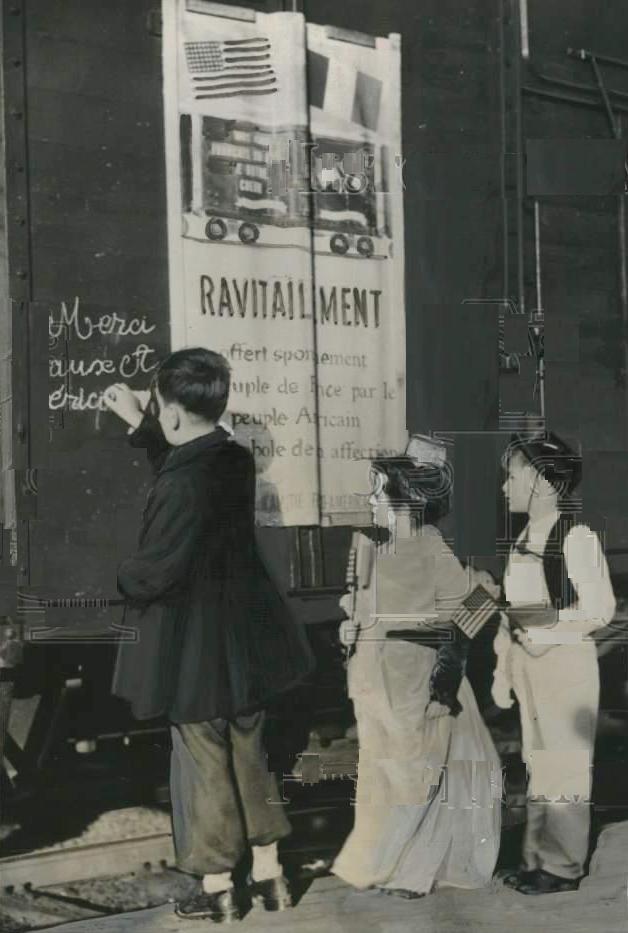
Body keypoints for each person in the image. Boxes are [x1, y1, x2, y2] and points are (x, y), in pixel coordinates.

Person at [103, 348, 314, 922]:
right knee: (251, 754)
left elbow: (157, 568)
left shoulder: (183, 484)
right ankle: (272, 878)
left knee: (205, 764)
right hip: (245, 640)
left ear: (171, 413)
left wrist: (118, 574)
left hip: (194, 649)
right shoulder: (235, 460)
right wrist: (143, 424)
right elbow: (189, 459)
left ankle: (219, 887)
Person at [331, 449, 502, 898]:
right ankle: (380, 864)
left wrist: (437, 665)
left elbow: (472, 608)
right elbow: (359, 604)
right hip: (370, 677)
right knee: (381, 773)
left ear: (401, 496)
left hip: (413, 677)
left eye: (375, 488)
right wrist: (349, 626)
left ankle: (411, 872)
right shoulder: (367, 543)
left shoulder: (429, 545)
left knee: (415, 773)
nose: (369, 497)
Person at [494, 432, 616, 895]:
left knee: (564, 766)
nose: (505, 486)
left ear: (544, 483)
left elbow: (599, 609)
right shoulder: (523, 539)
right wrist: (503, 671)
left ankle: (563, 867)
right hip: (531, 668)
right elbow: (512, 613)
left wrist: (545, 632)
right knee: (539, 765)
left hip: (566, 667)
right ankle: (535, 860)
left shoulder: (577, 538)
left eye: (511, 476)